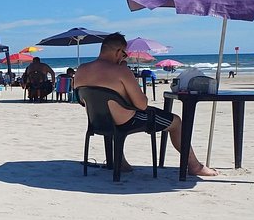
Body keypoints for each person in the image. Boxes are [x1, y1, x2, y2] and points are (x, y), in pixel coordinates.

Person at [74, 33, 217, 176]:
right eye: (124, 53)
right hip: (127, 121)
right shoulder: (121, 71)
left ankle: (120, 162)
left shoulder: (81, 70)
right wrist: (126, 74)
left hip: (97, 121)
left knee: (113, 114)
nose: (125, 57)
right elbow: (142, 105)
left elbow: (82, 100)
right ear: (118, 52)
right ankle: (194, 166)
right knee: (176, 122)